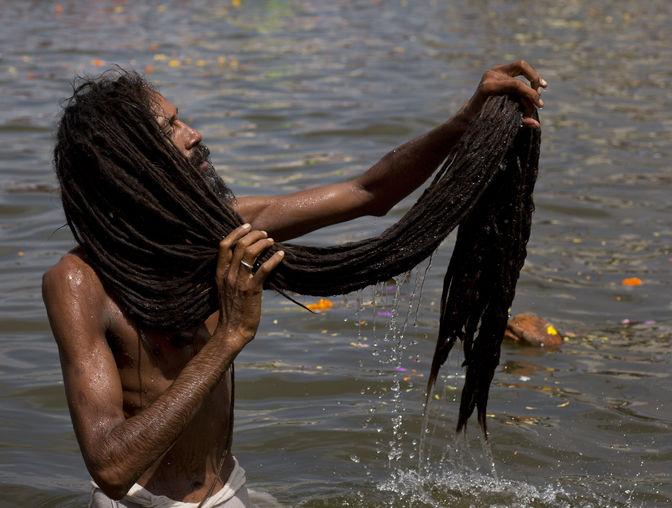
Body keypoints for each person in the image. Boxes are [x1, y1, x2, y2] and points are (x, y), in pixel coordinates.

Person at [42, 60, 546, 507]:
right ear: (134, 161)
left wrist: (467, 120)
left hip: (227, 491)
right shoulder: (78, 282)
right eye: (171, 127)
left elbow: (368, 191)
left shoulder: (218, 229)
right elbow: (109, 469)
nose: (193, 134)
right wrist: (230, 336)